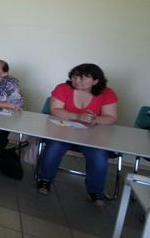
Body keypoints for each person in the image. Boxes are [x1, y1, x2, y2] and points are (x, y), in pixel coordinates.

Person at [36, 64, 118, 205]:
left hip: (93, 136)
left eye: (83, 77)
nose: (77, 80)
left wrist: (95, 119)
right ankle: (45, 180)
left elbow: (111, 117)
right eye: (75, 76)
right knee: (54, 146)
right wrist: (78, 116)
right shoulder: (63, 88)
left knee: (98, 154)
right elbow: (55, 109)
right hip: (63, 132)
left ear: (96, 81)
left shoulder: (107, 93)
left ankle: (95, 191)